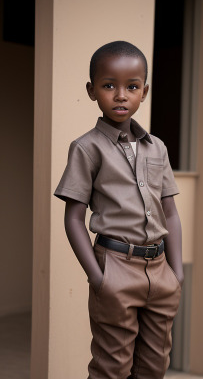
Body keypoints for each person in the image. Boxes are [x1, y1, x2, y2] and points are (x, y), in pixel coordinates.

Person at [54, 41, 184, 379]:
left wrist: (176, 272)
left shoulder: (158, 148)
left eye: (132, 86)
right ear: (92, 90)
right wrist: (98, 278)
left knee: (154, 367)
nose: (121, 95)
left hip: (160, 271)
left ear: (145, 91)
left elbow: (169, 211)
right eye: (109, 85)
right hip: (115, 267)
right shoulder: (86, 148)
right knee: (112, 368)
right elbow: (73, 217)